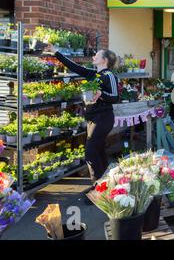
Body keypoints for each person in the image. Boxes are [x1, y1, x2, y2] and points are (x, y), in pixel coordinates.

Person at [45, 45, 119, 189]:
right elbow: (74, 66)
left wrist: (101, 94)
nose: (93, 57)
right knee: (98, 152)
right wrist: (56, 52)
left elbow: (115, 97)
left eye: (96, 55)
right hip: (93, 119)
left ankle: (98, 188)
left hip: (103, 118)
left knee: (90, 153)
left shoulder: (109, 75)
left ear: (104, 60)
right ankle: (107, 185)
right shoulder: (94, 74)